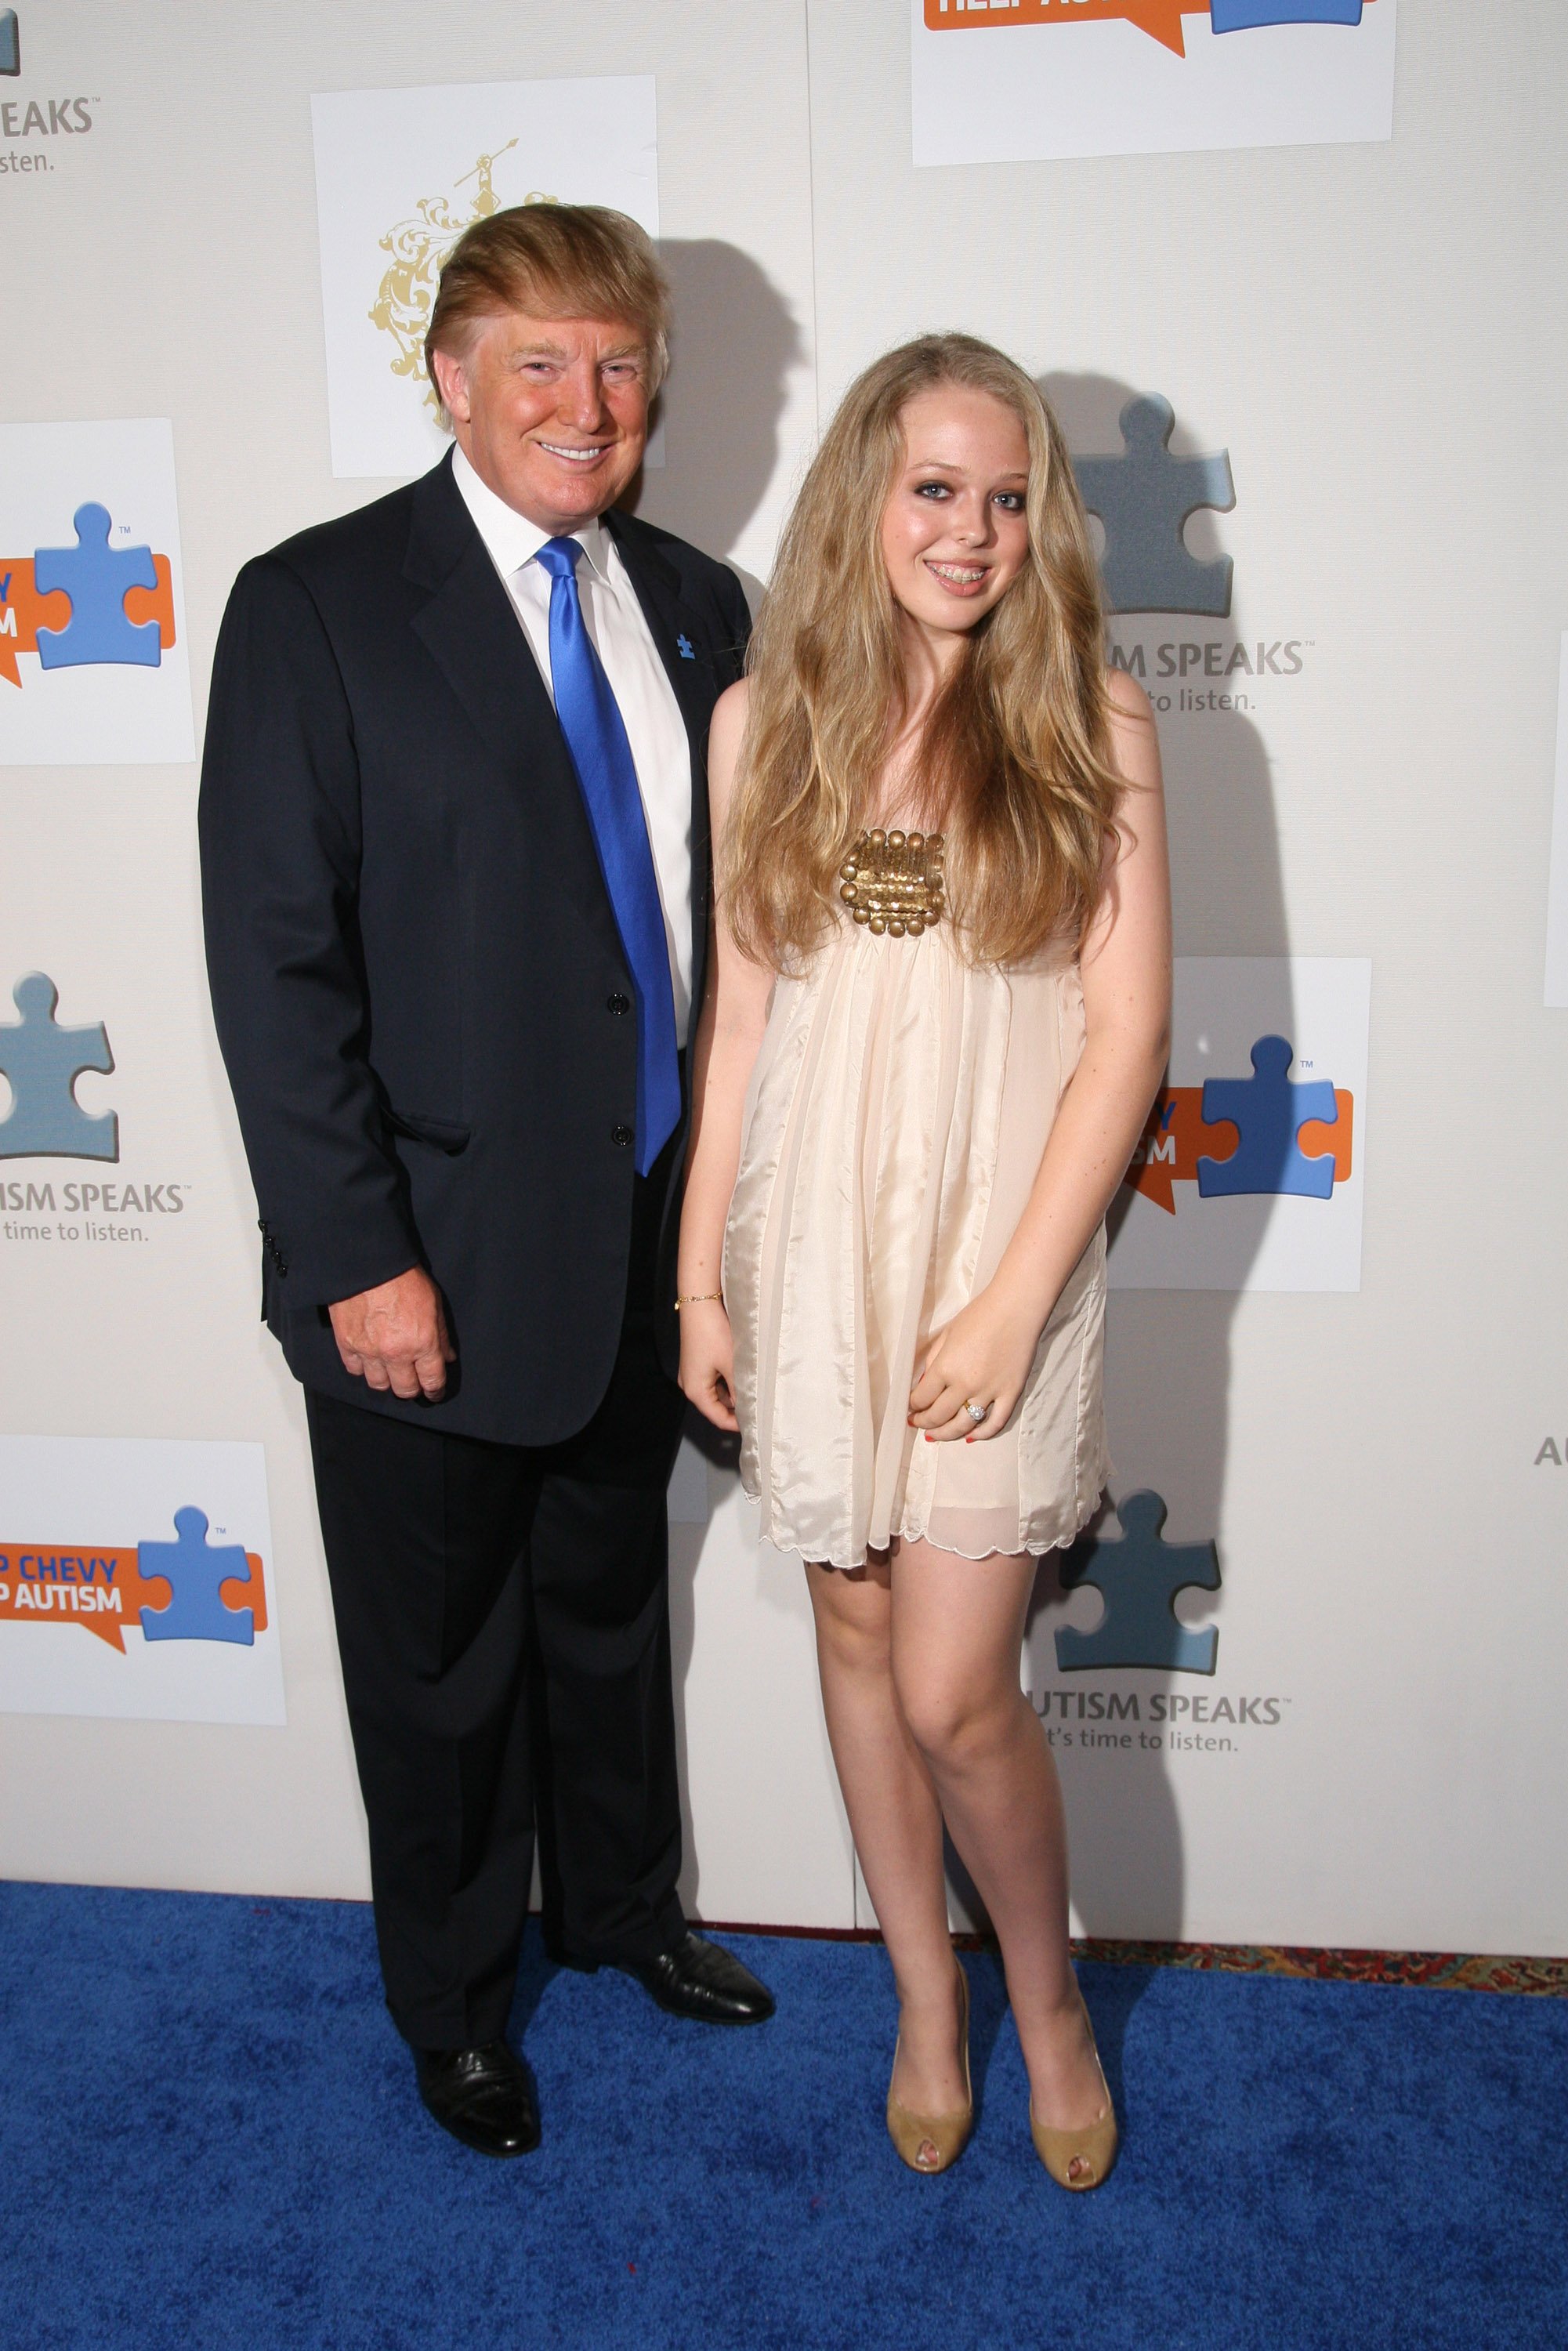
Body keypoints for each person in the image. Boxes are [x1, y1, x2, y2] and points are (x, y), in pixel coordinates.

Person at [199, 204, 774, 2161]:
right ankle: (451, 2005)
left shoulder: (701, 601)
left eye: (616, 365)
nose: (582, 402)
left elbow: (728, 930)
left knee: (608, 1609)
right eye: (535, 361)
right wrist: (359, 1253)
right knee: (437, 1666)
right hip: (422, 1255)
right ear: (445, 376)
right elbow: (275, 964)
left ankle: (617, 1916)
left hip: (643, 1226)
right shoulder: (320, 603)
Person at [678, 334, 1170, 2189]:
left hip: (997, 1263)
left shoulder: (1087, 722)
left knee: (961, 1686)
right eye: (934, 489)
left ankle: (1042, 2004)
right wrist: (699, 1286)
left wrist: (1007, 1301)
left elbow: (1119, 1042)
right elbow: (742, 1023)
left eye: (1007, 496)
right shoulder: (761, 725)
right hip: (804, 1249)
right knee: (859, 1636)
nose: (969, 532)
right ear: (863, 501)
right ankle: (921, 2000)